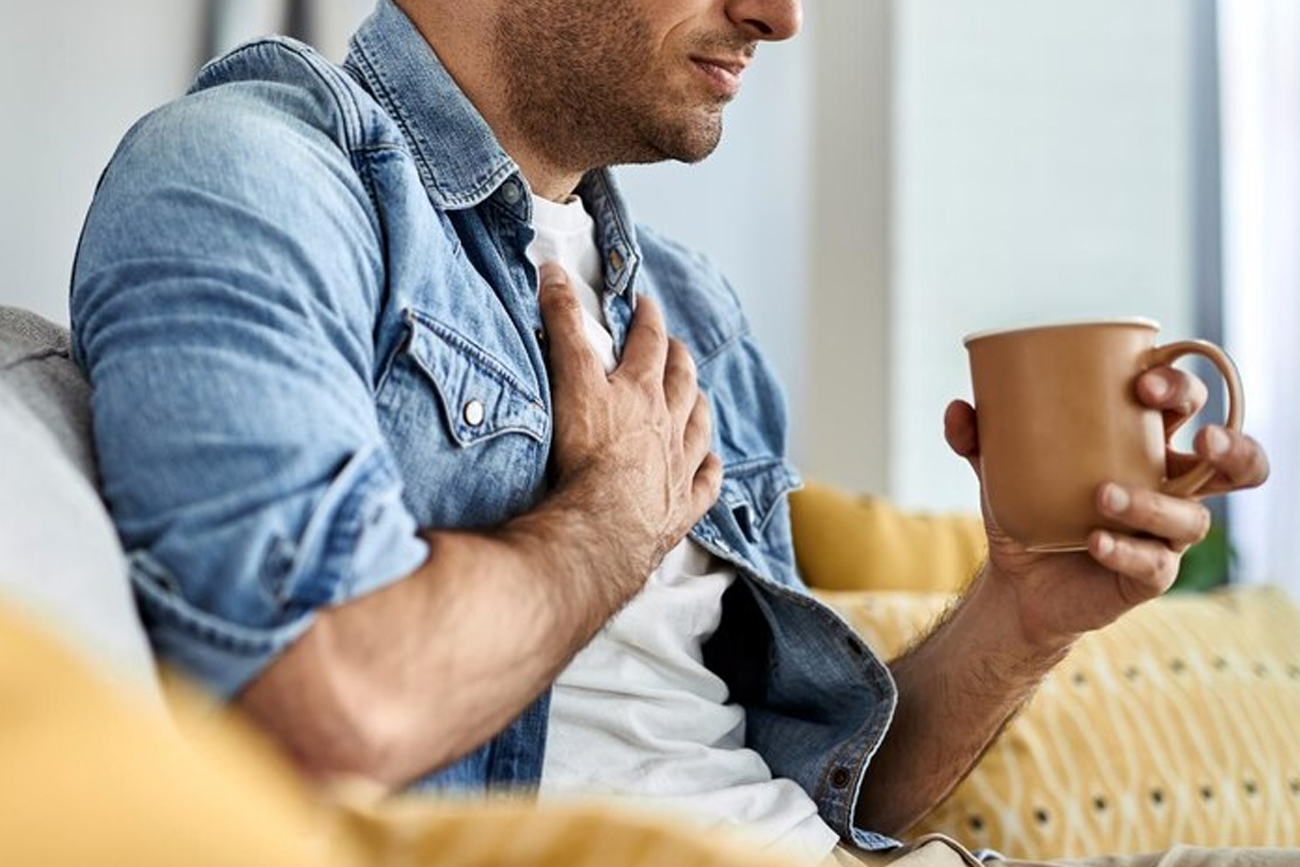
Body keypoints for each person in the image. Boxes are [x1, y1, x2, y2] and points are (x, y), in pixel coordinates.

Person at [70, 1, 1277, 865]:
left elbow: (814, 794)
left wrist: (1023, 611)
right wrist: (605, 529)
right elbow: (315, 713)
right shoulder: (252, 178)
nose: (780, 17)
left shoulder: (689, 313)